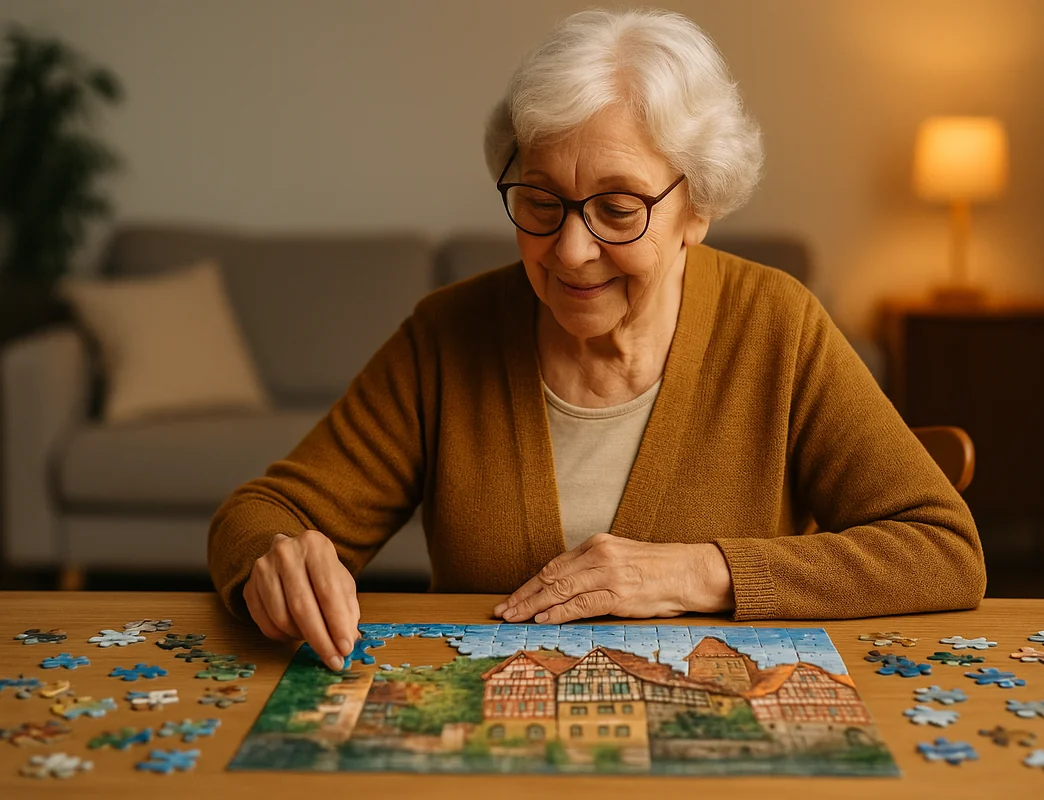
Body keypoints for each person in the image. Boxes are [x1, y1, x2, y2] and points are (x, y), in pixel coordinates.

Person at [209, 8, 985, 673]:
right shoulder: (448, 337)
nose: (571, 250)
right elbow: (260, 512)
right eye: (541, 201)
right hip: (493, 752)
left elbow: (943, 548)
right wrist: (275, 561)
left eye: (617, 208)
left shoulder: (776, 325)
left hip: (723, 750)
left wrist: (698, 573)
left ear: (699, 205)